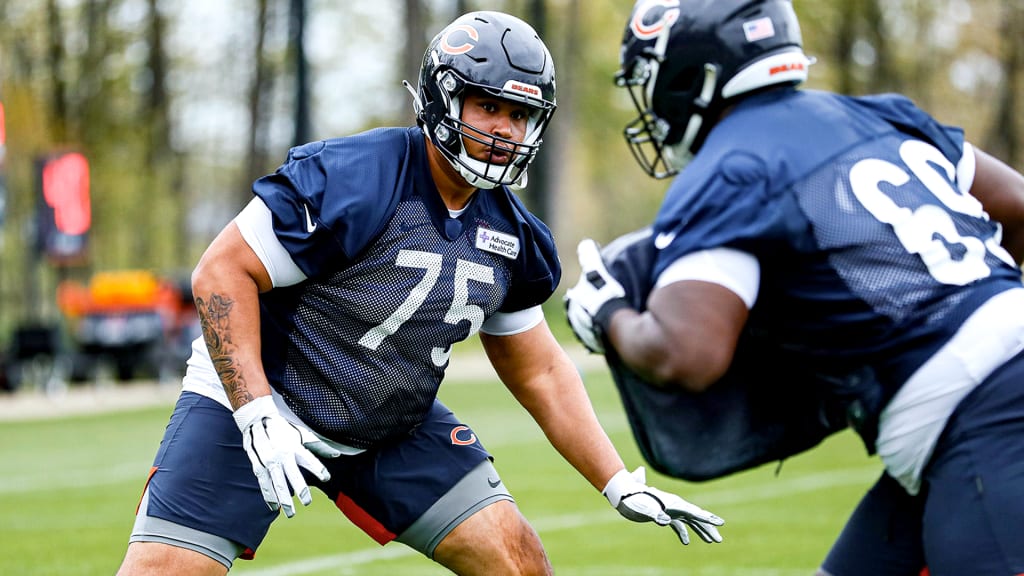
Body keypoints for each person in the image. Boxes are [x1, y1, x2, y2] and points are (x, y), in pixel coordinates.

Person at [116, 10, 724, 576]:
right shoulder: (358, 176)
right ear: (442, 98)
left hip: (392, 425)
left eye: (520, 116)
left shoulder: (513, 234)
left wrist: (617, 481)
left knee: (520, 563)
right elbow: (220, 275)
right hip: (259, 402)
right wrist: (253, 410)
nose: (504, 130)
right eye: (488, 107)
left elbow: (539, 369)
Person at [564, 1, 1024, 575]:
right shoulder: (883, 116)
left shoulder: (734, 166)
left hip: (984, 419)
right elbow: (1018, 210)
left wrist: (607, 313)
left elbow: (687, 355)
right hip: (966, 415)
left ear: (693, 72)